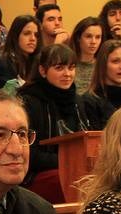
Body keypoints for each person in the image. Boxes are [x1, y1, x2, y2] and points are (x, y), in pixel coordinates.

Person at [18, 43, 105, 200]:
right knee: (76, 182)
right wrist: (70, 162)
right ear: (43, 71)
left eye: (71, 68)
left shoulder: (79, 101)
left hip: (75, 169)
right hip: (38, 174)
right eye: (59, 68)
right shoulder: (29, 102)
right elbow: (29, 154)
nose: (67, 74)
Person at [0, 14, 38, 91]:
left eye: (36, 35)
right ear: (15, 36)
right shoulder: (4, 64)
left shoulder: (39, 62)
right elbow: (11, 95)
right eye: (27, 33)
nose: (33, 38)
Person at [70, 16, 103, 93]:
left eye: (98, 37)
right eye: (88, 36)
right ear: (78, 38)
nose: (93, 42)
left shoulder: (103, 65)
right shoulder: (69, 65)